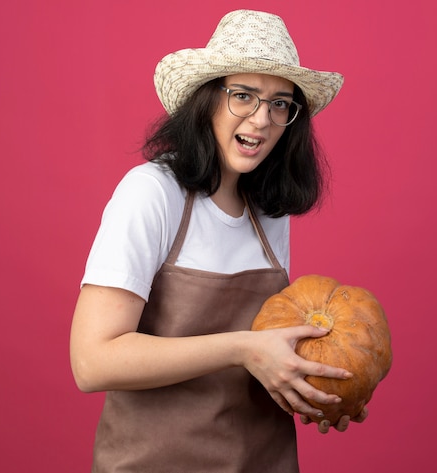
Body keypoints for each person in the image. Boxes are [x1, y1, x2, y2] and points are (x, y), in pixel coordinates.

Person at [70, 9, 367, 472]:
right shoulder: (152, 192)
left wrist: (320, 389)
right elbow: (92, 361)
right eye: (243, 95)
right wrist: (241, 347)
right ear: (206, 100)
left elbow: (267, 354)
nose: (261, 119)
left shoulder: (268, 211)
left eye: (279, 104)